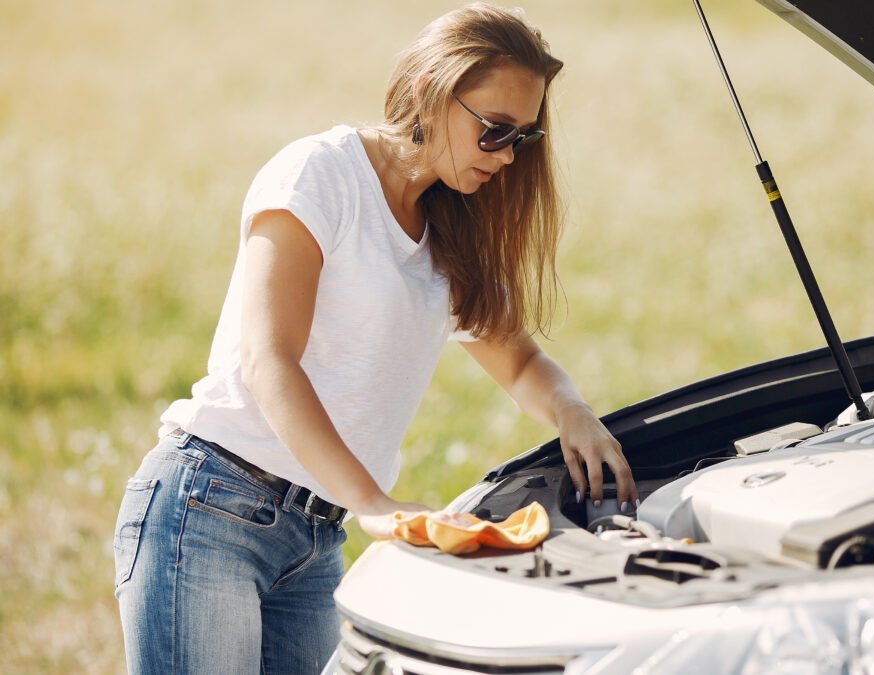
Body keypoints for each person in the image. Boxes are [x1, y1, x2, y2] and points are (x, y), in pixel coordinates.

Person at [112, 3, 638, 673]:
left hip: (315, 540)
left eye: (523, 139)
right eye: (496, 131)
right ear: (428, 91)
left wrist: (574, 411)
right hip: (212, 509)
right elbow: (269, 359)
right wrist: (373, 503)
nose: (507, 158)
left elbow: (520, 357)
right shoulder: (319, 176)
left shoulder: (450, 230)